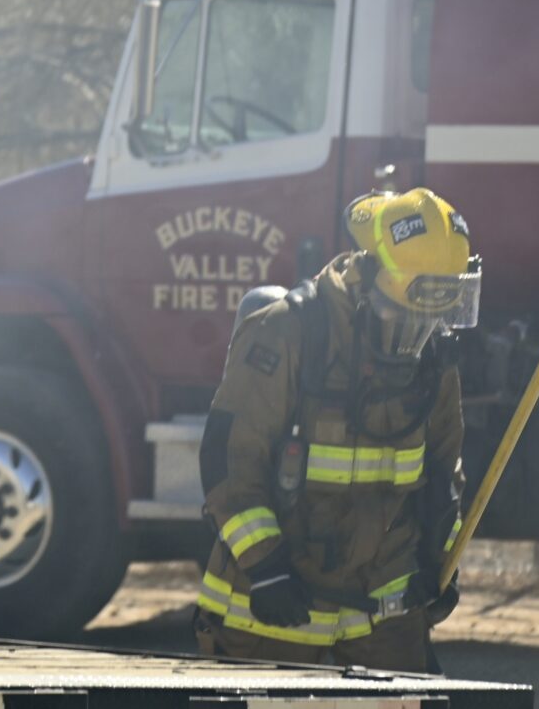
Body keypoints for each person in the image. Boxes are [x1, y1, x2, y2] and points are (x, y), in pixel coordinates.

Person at [194, 187, 480, 671]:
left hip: (382, 612)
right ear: (368, 281)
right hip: (273, 609)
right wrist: (266, 568)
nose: (420, 330)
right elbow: (230, 460)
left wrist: (440, 561)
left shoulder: (432, 353)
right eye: (407, 314)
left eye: (433, 317)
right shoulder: (286, 332)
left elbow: (442, 474)